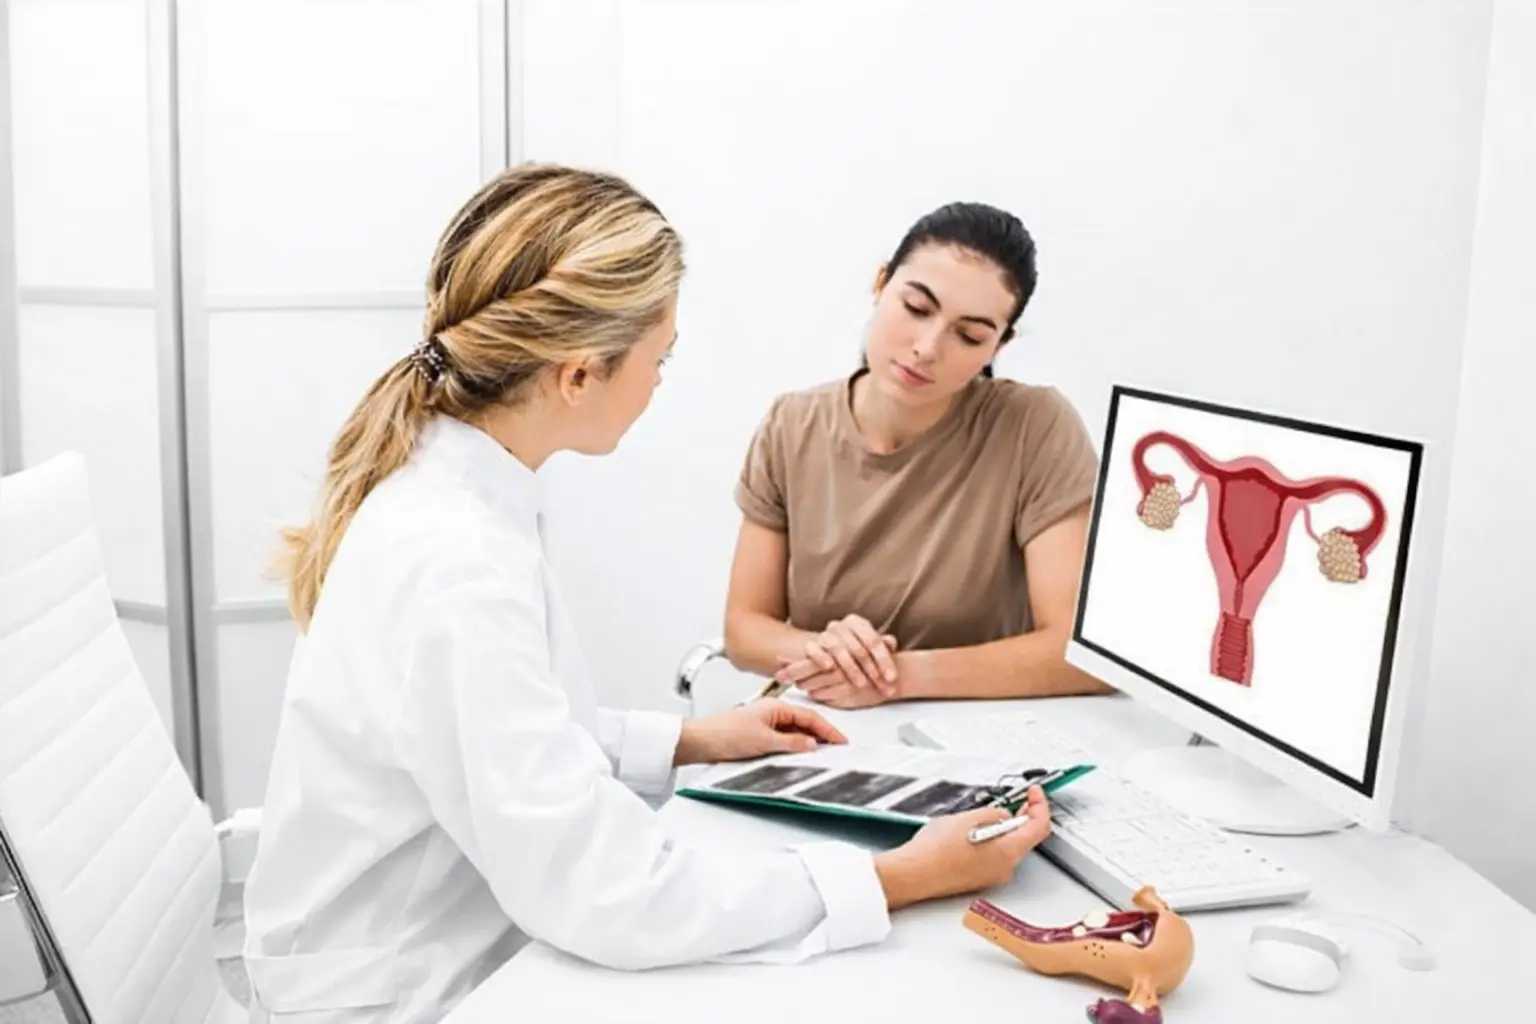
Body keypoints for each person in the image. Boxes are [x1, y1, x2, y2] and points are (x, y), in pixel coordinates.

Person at [240, 164, 1052, 1023]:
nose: (661, 381)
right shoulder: (457, 563)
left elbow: (508, 738)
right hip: (409, 994)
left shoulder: (456, 491)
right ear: (579, 375)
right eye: (659, 357)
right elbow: (608, 893)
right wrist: (902, 875)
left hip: (451, 940)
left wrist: (693, 741)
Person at [724, 201, 1114, 709]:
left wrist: (897, 677)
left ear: (1000, 343)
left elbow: (1078, 651)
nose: (928, 347)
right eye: (916, 308)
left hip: (983, 736)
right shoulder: (791, 424)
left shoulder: (1034, 428)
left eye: (970, 335)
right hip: (829, 727)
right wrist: (827, 652)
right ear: (881, 283)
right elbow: (744, 628)